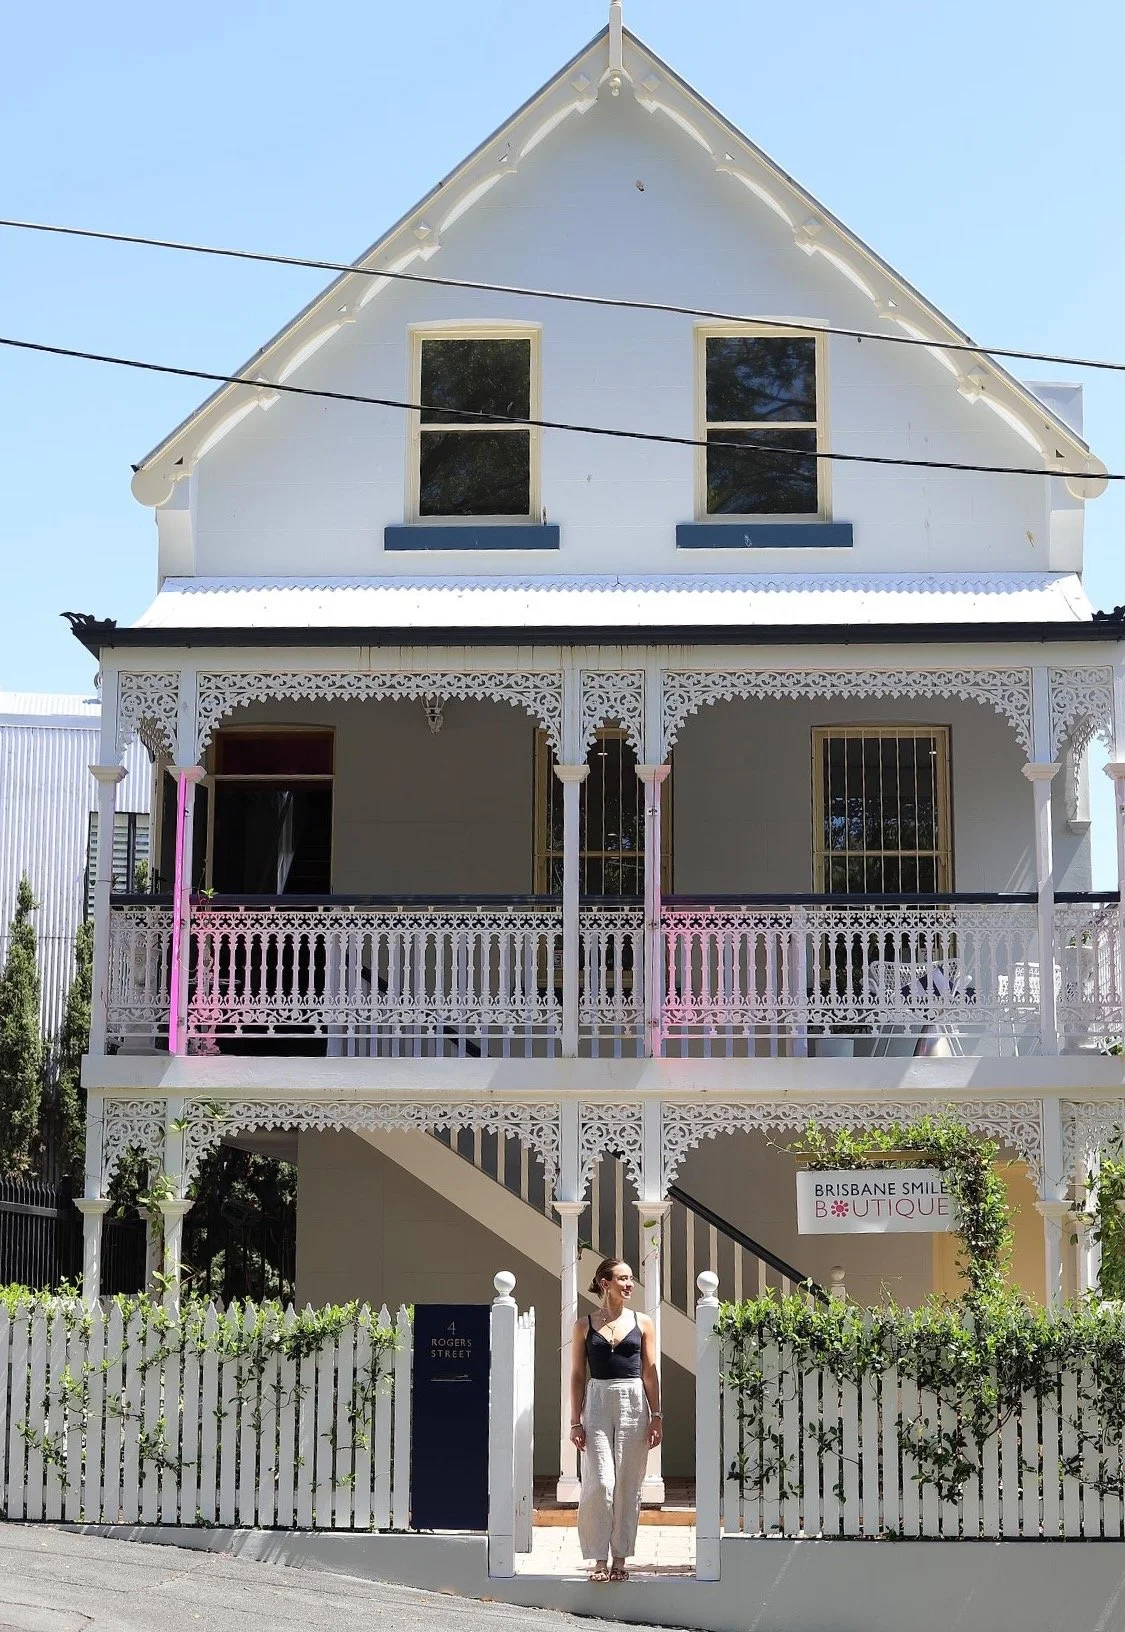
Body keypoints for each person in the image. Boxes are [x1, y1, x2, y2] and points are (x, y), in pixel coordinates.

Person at [569, 1256, 662, 1582]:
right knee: (600, 1482)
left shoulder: (643, 1322)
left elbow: (650, 1374)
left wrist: (656, 1415)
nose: (629, 1284)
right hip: (596, 1401)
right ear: (605, 1283)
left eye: (631, 1278)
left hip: (633, 1401)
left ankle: (619, 1558)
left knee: (626, 1482)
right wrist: (575, 1420)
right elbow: (578, 1376)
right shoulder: (584, 1325)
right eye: (622, 1278)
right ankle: (598, 1558)